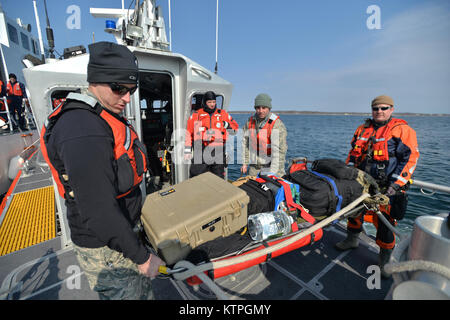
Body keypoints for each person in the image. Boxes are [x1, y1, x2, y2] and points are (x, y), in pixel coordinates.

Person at [40, 41, 165, 299]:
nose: (127, 98)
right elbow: (98, 211)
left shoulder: (100, 114)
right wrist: (141, 257)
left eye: (132, 89)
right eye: (119, 88)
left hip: (123, 235)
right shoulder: (83, 129)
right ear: (95, 81)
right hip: (108, 248)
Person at [335, 95, 419, 278]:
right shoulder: (362, 129)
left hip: (387, 188)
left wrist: (396, 184)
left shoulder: (402, 130)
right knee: (354, 213)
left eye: (384, 108)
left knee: (385, 224)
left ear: (391, 109)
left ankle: (384, 260)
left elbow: (410, 158)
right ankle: (352, 239)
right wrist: (347, 174)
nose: (379, 112)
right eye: (376, 108)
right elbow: (352, 153)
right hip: (360, 183)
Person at [184, 91, 239, 178]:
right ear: (204, 102)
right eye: (209, 102)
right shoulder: (196, 115)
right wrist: (187, 150)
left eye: (214, 102)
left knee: (218, 176)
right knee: (196, 175)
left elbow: (235, 129)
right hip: (200, 149)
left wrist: (227, 125)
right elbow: (188, 134)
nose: (212, 104)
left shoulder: (222, 114)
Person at [240, 93, 288, 177]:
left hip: (271, 166)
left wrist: (274, 173)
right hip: (254, 166)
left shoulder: (277, 125)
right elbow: (245, 144)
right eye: (258, 108)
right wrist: (245, 163)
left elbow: (280, 152)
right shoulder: (250, 122)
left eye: (264, 108)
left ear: (269, 108)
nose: (261, 111)